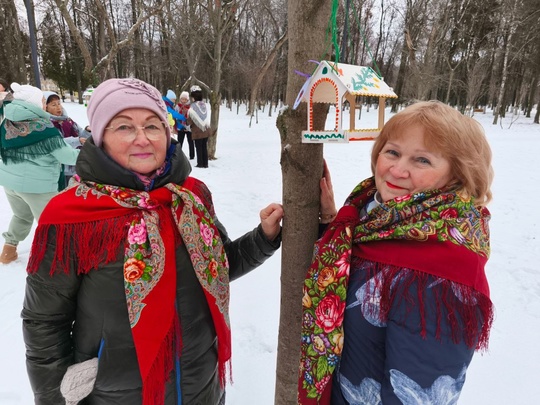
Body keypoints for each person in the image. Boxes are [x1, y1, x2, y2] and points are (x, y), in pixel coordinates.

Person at [22, 78, 284, 405]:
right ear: (100, 136)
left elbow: (217, 267)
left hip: (199, 384)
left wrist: (265, 237)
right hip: (114, 392)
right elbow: (45, 323)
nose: (142, 138)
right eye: (124, 127)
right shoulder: (70, 216)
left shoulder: (190, 196)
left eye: (152, 125)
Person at [298, 101, 494, 404]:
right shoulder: (374, 218)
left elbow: (418, 394)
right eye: (392, 152)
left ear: (458, 175)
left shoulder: (440, 276)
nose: (398, 169)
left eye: (422, 161)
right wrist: (330, 224)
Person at [0, 83, 80, 265]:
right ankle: (56, 260)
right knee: (52, 222)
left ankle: (8, 250)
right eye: (43, 101)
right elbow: (67, 156)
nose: (44, 105)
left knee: (21, 216)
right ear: (33, 103)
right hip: (37, 187)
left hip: (9, 182)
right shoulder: (43, 129)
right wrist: (90, 153)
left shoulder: (7, 121)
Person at [44, 91, 92, 186]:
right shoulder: (47, 125)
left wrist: (87, 130)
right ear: (45, 108)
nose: (58, 107)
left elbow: (80, 135)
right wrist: (76, 141)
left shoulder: (67, 120)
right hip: (61, 169)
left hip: (76, 166)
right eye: (53, 105)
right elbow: (56, 143)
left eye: (59, 103)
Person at [187, 85, 210, 168]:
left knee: (199, 147)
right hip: (206, 129)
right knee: (204, 147)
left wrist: (186, 121)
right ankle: (205, 163)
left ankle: (200, 163)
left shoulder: (193, 107)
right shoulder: (203, 104)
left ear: (193, 97)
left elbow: (190, 120)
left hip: (198, 131)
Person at [176, 91, 194, 159]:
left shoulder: (190, 107)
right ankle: (178, 155)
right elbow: (175, 115)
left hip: (189, 127)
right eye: (182, 99)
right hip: (180, 127)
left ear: (187, 99)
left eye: (185, 99)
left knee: (191, 142)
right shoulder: (177, 106)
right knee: (180, 142)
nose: (183, 100)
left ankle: (192, 156)